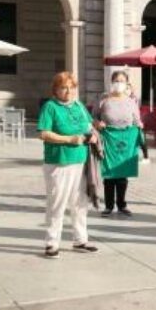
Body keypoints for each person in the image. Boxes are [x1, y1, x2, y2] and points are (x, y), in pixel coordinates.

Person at [38, 72, 98, 258]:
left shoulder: (79, 105)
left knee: (79, 203)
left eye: (72, 87)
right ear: (55, 90)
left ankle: (80, 240)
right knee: (57, 203)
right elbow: (44, 133)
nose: (68, 91)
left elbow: (89, 125)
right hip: (59, 162)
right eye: (64, 87)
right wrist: (69, 139)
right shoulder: (50, 107)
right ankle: (51, 242)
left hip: (80, 161)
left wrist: (93, 133)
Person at [94, 70, 143, 217]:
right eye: (116, 80)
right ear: (111, 82)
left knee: (122, 175)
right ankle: (109, 206)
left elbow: (136, 120)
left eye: (121, 81)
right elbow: (93, 118)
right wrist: (98, 123)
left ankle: (122, 204)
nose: (118, 84)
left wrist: (139, 125)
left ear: (126, 83)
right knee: (109, 174)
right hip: (108, 139)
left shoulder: (131, 102)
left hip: (126, 140)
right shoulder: (103, 100)